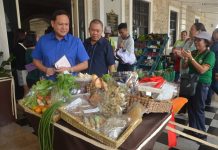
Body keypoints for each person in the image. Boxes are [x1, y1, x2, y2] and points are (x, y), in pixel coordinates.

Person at [32, 10, 89, 80]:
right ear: (53, 24)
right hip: (49, 85)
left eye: (66, 24)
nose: (64, 28)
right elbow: (35, 61)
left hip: (70, 85)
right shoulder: (43, 40)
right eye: (60, 24)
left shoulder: (76, 41)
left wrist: (69, 69)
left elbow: (85, 64)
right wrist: (46, 69)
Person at [181, 31, 215, 139]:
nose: (196, 42)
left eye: (199, 40)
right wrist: (185, 58)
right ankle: (192, 129)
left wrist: (191, 58)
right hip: (191, 83)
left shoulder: (210, 54)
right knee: (191, 107)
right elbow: (186, 66)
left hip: (202, 83)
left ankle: (201, 133)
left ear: (206, 42)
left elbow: (202, 70)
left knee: (198, 108)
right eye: (195, 40)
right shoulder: (195, 52)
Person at [12, 29, 29, 96]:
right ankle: (24, 106)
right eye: (25, 34)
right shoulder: (18, 47)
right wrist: (34, 66)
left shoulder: (20, 46)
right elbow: (22, 62)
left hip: (23, 70)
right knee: (26, 89)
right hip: (22, 71)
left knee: (27, 89)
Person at [206, 28, 218, 105]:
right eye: (213, 33)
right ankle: (208, 100)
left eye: (215, 33)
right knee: (210, 84)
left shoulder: (216, 44)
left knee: (213, 85)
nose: (213, 35)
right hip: (212, 66)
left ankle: (208, 100)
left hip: (216, 67)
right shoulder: (213, 43)